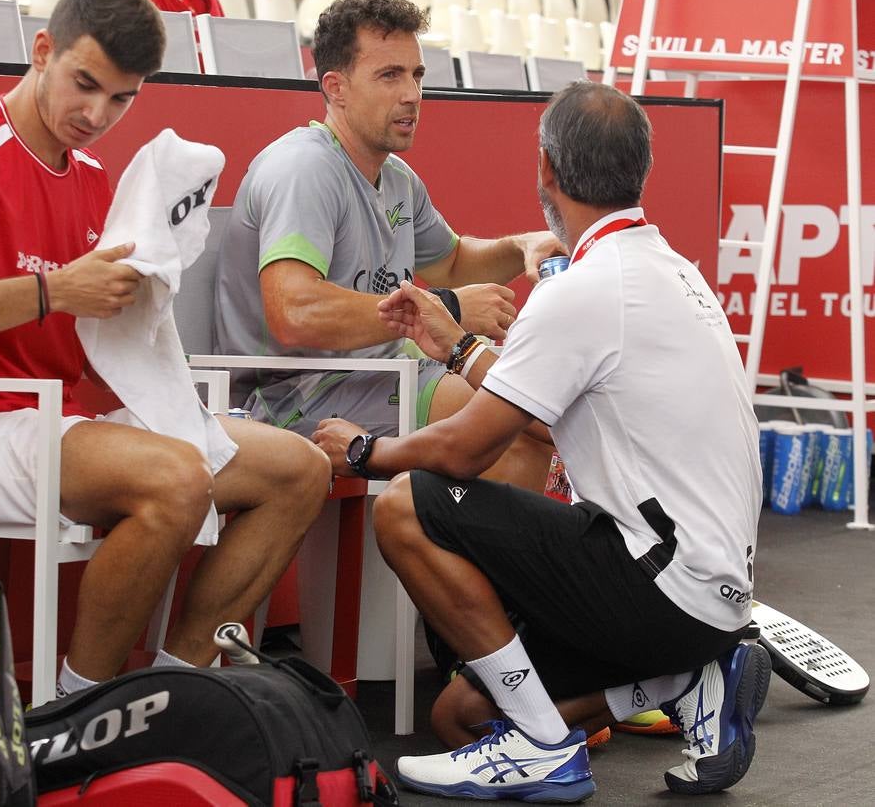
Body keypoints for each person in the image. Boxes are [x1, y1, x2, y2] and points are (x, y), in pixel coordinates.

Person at [0, 0, 329, 699]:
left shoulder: (91, 176)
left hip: (65, 421)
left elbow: (101, 329)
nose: (96, 114)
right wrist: (54, 292)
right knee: (176, 479)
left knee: (296, 469)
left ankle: (177, 690)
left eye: (121, 98)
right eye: (84, 84)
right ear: (42, 50)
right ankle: (78, 710)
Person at [314, 81, 769, 802]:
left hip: (656, 585)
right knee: (459, 715)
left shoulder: (582, 288)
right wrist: (457, 346)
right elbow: (533, 413)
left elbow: (463, 450)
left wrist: (365, 451)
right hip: (712, 597)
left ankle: (543, 746)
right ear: (637, 170)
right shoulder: (672, 271)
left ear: (547, 170)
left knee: (405, 506)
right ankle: (684, 679)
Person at [214, 0, 562, 490]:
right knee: (501, 418)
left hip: (377, 376)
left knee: (522, 402)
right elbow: (293, 312)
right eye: (389, 75)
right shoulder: (304, 168)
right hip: (289, 398)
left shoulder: (395, 176)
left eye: (416, 75)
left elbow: (455, 262)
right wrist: (445, 310)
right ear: (336, 87)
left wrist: (520, 246)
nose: (412, 94)